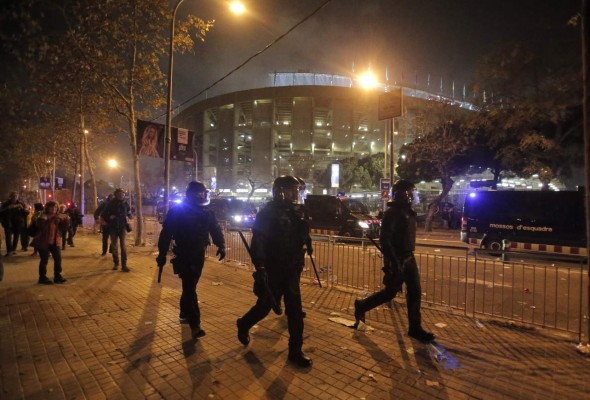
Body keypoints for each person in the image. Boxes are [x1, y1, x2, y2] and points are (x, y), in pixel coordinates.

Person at [236, 175, 313, 368]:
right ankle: (244, 324)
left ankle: (295, 351)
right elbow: (259, 240)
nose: (296, 193)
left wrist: (307, 241)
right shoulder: (268, 213)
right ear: (280, 191)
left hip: (291, 269)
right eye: (292, 190)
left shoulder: (298, 211)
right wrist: (260, 266)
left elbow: (302, 234)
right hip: (273, 268)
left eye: (298, 190)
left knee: (295, 311)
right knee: (265, 306)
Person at [354, 180, 435, 343]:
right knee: (390, 293)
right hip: (397, 258)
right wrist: (393, 262)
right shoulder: (392, 213)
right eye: (410, 193)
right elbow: (385, 239)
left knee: (415, 292)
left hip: (409, 258)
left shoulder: (408, 212)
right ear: (402, 195)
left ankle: (415, 328)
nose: (413, 197)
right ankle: (362, 306)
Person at [156, 181, 226, 340]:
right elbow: (166, 233)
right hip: (183, 253)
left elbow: (215, 229)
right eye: (199, 193)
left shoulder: (207, 212)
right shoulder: (177, 211)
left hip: (199, 254)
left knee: (190, 285)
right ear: (191, 194)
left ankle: (183, 313)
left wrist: (221, 245)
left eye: (203, 193)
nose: (202, 195)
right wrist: (161, 254)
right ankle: (195, 325)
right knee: (189, 287)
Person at [30, 201, 69, 284]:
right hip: (43, 241)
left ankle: (57, 276)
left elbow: (64, 227)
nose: (54, 209)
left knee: (58, 259)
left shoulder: (58, 217)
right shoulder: (42, 216)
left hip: (55, 241)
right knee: (44, 260)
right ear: (47, 208)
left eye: (55, 207)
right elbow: (42, 228)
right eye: (51, 207)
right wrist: (53, 219)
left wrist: (66, 220)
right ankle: (42, 278)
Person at [101, 188, 132, 271]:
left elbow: (129, 212)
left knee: (123, 246)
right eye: (120, 194)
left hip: (122, 227)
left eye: (123, 194)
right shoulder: (111, 203)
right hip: (113, 227)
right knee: (114, 246)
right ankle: (116, 263)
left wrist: (130, 215)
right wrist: (109, 217)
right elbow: (103, 214)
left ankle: (124, 265)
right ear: (116, 195)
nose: (122, 196)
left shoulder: (125, 203)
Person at [0, 191, 29, 256]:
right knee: (8, 237)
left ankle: (13, 249)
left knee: (16, 237)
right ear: (10, 197)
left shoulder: (21, 204)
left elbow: (26, 213)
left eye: (16, 196)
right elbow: (1, 212)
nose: (14, 197)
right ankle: (9, 251)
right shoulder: (5, 204)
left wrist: (23, 209)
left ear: (18, 197)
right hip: (8, 223)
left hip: (18, 223)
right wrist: (8, 208)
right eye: (13, 196)